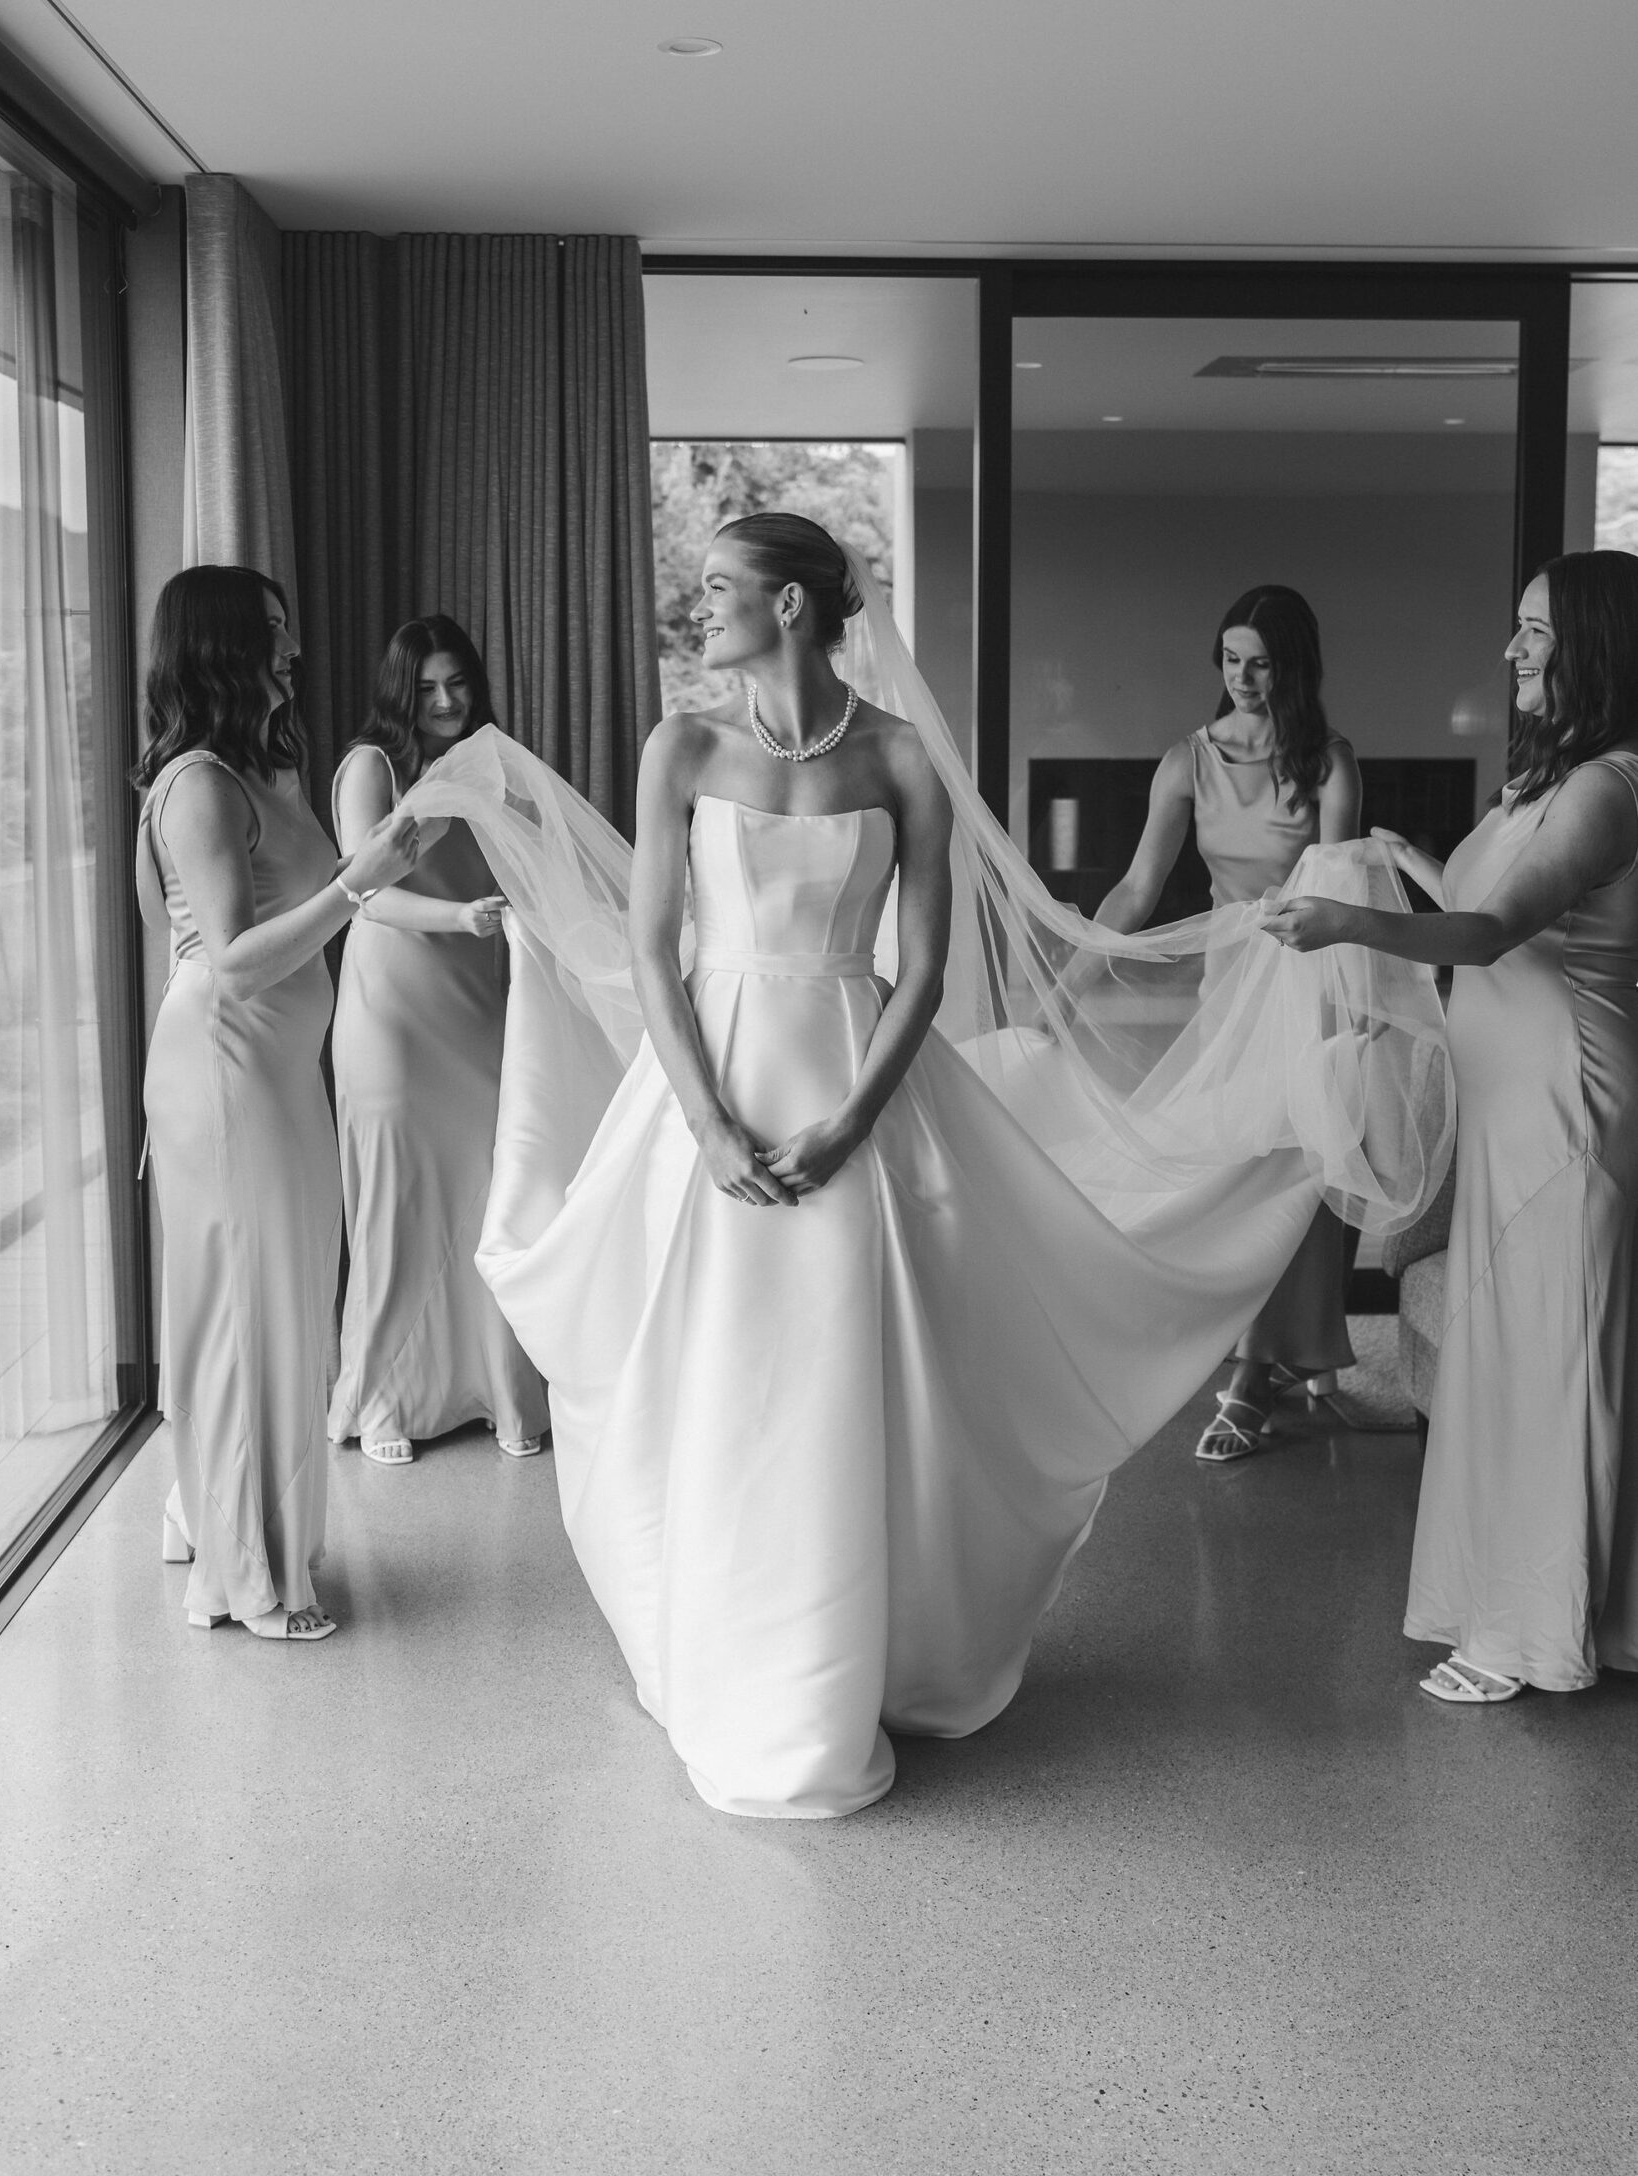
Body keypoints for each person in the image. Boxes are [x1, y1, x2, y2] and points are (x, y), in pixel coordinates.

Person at [404, 517, 1447, 1816]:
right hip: (709, 1091)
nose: (705, 609)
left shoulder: (898, 759)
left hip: (858, 1089)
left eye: (724, 591)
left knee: (840, 1372)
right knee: (720, 1367)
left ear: (791, 606)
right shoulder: (684, 747)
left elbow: (918, 971)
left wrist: (845, 1125)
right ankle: (736, 1660)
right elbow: (658, 949)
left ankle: (850, 1671)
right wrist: (716, 1129)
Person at [1265, 552, 1638, 1705]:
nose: (1513, 650)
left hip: (1566, 1108)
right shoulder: (1548, 783)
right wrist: (1395, 860)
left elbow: (1491, 935)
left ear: (1593, 644)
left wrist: (1346, 924)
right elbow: (1483, 903)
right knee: (1515, 1350)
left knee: (1551, 1355)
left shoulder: (1610, 786)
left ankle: (1535, 1628)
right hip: (1510, 1113)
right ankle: (1565, 1604)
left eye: (1534, 631)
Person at [137, 567, 419, 1640]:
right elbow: (242, 960)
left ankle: (216, 1517)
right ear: (217, 647)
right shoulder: (201, 783)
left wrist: (363, 872)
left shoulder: (271, 768)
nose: (292, 649)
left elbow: (300, 909)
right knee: (247, 1314)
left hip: (280, 1072)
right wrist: (361, 878)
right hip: (224, 1062)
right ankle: (249, 1580)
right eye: (269, 633)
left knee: (286, 1302)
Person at [1095, 585, 1363, 1462]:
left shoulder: (1327, 763)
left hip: (1306, 984)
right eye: (1230, 660)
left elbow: (1339, 891)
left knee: (1301, 1169)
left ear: (1294, 668)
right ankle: (1259, 1353)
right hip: (1227, 990)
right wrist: (1070, 969)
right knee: (1234, 1170)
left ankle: (1255, 1375)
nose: (1243, 678)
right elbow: (1138, 888)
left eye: (1261, 662)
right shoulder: (1186, 761)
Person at [327, 616, 548, 1466]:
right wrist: (459, 916)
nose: (446, 701)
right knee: (395, 1206)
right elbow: (363, 891)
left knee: (484, 1200)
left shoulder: (491, 767)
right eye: (426, 688)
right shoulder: (368, 768)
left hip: (477, 1012)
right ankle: (384, 1397)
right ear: (399, 692)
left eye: (457, 682)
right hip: (391, 1019)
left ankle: (500, 1390)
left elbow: (533, 865)